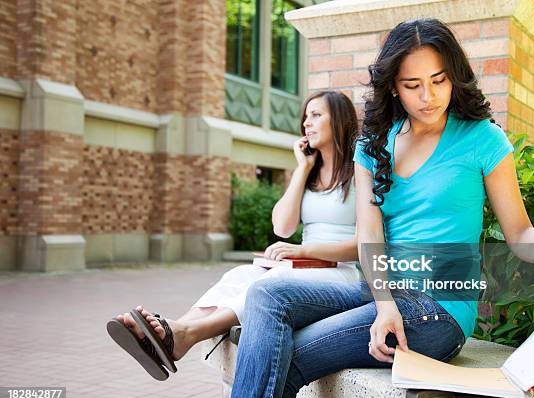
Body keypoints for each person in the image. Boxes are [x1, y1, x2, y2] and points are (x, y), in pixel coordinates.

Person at [227, 18, 534, 398]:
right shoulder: (372, 145)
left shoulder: (482, 138)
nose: (428, 96)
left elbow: (519, 232)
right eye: (412, 85)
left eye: (439, 80)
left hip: (437, 309)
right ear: (394, 88)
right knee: (265, 294)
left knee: (288, 357)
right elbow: (370, 235)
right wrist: (383, 305)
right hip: (376, 294)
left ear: (455, 78)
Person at [106, 90, 361, 381]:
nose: (306, 123)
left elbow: (364, 245)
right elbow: (283, 227)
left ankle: (184, 336)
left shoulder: (359, 173)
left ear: (339, 120)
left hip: (339, 274)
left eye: (316, 115)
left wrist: (303, 251)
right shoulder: (310, 172)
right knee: (238, 275)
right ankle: (173, 329)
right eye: (305, 116)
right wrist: (301, 169)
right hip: (302, 267)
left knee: (270, 284)